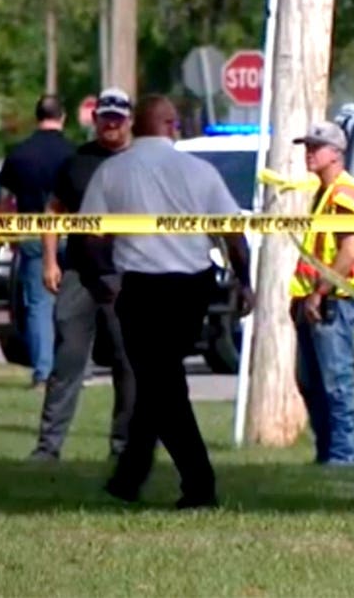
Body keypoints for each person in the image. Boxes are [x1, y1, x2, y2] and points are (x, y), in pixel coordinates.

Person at [80, 95, 253, 509]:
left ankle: (199, 485)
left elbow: (89, 233)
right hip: (192, 288)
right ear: (172, 124)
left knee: (162, 386)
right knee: (159, 382)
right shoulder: (200, 170)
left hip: (140, 290)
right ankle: (129, 477)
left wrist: (103, 279)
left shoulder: (112, 171)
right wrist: (245, 281)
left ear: (136, 126)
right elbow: (233, 233)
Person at [28, 87, 135, 461]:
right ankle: (48, 447)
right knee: (68, 360)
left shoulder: (140, 163)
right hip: (78, 272)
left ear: (129, 122)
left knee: (128, 363)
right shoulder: (77, 162)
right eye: (105, 117)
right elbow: (52, 212)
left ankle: (122, 448)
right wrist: (49, 262)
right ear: (95, 119)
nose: (111, 124)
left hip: (126, 274)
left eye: (118, 118)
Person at [288, 121, 354, 466]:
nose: (309, 152)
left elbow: (348, 251)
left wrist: (319, 292)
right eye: (307, 145)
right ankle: (327, 453)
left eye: (316, 146)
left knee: (335, 384)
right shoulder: (324, 192)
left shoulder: (343, 194)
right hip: (316, 301)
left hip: (333, 302)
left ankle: (344, 457)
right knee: (311, 382)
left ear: (336, 153)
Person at [0, 94, 75, 388]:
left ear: (36, 116)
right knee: (73, 306)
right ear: (63, 117)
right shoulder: (74, 152)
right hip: (72, 233)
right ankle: (71, 369)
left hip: (31, 234)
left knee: (38, 306)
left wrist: (8, 234)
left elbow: (5, 201)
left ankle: (43, 372)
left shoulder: (20, 153)